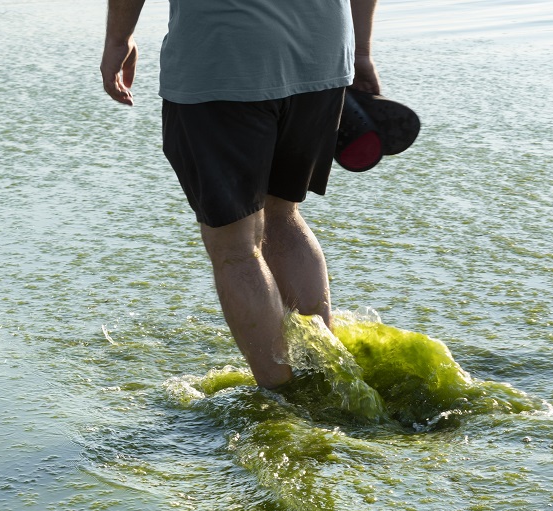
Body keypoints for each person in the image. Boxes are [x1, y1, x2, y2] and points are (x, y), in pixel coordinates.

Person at [100, 0, 381, 388]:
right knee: (282, 214)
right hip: (322, 58)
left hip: (224, 64)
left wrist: (118, 38)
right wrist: (361, 51)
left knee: (234, 245)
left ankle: (282, 397)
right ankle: (329, 378)